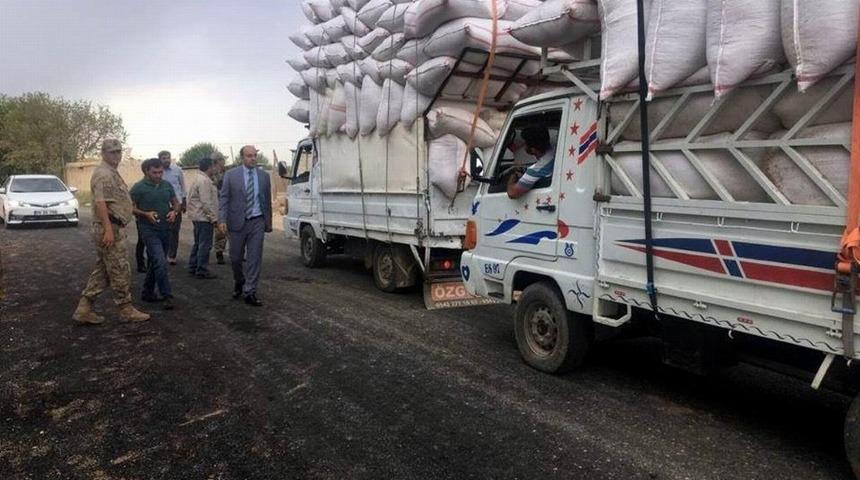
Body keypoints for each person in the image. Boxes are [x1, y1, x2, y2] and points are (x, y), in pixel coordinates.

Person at [72, 139, 150, 325]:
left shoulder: (111, 172)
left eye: (118, 151)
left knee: (104, 270)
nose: (117, 155)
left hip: (113, 227)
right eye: (112, 152)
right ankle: (125, 309)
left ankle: (84, 308)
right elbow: (100, 203)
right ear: (103, 154)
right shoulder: (104, 174)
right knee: (120, 269)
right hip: (110, 228)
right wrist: (108, 230)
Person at [218, 145, 272, 306]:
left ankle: (250, 291)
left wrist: (267, 222)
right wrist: (222, 220)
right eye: (249, 156)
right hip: (236, 222)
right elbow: (224, 198)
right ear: (242, 158)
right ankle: (239, 280)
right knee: (235, 258)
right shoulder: (231, 175)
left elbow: (266, 200)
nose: (253, 158)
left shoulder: (263, 176)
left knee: (254, 258)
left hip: (257, 220)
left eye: (255, 155)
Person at [130, 158, 182, 310]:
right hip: (148, 229)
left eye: (161, 172)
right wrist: (145, 214)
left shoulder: (166, 185)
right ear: (146, 171)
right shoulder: (138, 188)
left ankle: (147, 292)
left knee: (155, 262)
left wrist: (174, 212)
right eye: (155, 172)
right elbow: (130, 207)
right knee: (160, 260)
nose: (159, 175)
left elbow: (176, 203)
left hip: (165, 229)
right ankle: (167, 295)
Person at [187, 157, 219, 279]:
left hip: (198, 216)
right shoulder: (204, 181)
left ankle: (193, 265)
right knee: (205, 244)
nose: (216, 169)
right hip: (203, 218)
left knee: (198, 243)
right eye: (214, 166)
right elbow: (206, 202)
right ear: (210, 167)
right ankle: (201, 269)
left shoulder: (199, 178)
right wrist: (214, 218)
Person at [507, 126, 556, 199]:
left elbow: (512, 193)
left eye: (525, 143)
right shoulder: (554, 153)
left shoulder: (536, 170)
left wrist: (511, 179)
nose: (524, 146)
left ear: (533, 150)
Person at [159, 150, 185, 265]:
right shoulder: (158, 172)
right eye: (164, 158)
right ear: (160, 159)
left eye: (168, 157)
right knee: (163, 230)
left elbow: (182, 186)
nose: (166, 160)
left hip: (176, 205)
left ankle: (172, 255)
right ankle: (162, 254)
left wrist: (184, 202)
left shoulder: (177, 170)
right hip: (162, 205)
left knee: (174, 231)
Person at [211, 152, 228, 265]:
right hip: (217, 204)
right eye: (222, 160)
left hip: (229, 204)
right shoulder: (212, 174)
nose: (223, 162)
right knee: (220, 231)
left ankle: (238, 252)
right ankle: (219, 252)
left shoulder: (228, 172)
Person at [134, 161, 148, 273]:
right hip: (142, 221)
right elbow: (131, 206)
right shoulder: (138, 187)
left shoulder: (163, 184)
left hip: (158, 221)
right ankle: (141, 264)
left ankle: (152, 263)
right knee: (142, 241)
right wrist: (142, 214)